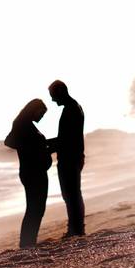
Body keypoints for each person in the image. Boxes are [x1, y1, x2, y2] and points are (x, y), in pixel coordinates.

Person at [4, 99, 52, 248]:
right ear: (34, 110)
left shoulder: (27, 125)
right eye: (41, 113)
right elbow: (9, 141)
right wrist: (34, 148)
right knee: (34, 208)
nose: (42, 117)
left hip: (35, 171)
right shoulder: (22, 125)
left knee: (37, 208)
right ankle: (27, 243)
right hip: (32, 172)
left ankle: (29, 241)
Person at [47, 80, 85, 237]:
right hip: (74, 156)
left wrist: (43, 146)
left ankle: (75, 229)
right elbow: (67, 138)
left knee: (71, 194)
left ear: (61, 92)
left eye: (53, 96)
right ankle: (76, 227)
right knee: (73, 193)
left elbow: (66, 139)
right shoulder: (75, 108)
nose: (52, 100)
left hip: (70, 158)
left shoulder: (71, 110)